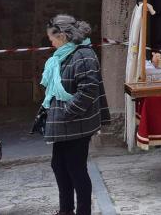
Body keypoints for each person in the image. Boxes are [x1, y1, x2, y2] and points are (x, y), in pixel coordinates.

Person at [42, 15, 111, 215]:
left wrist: (67, 112)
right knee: (59, 165)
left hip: (77, 123)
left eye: (52, 38)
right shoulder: (63, 55)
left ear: (62, 36)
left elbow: (88, 90)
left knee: (76, 168)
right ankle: (66, 210)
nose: (50, 42)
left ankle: (82, 211)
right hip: (64, 124)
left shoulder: (84, 55)